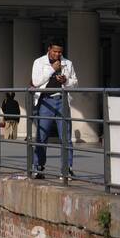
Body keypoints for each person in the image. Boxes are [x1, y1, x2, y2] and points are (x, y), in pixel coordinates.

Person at [31, 43, 77, 178]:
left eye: (60, 52)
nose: (57, 54)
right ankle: (38, 167)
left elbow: (75, 82)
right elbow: (36, 81)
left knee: (66, 137)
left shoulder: (68, 63)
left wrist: (66, 80)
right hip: (45, 100)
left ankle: (66, 168)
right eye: (55, 51)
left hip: (62, 100)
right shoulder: (39, 62)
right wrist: (52, 69)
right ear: (49, 50)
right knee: (42, 135)